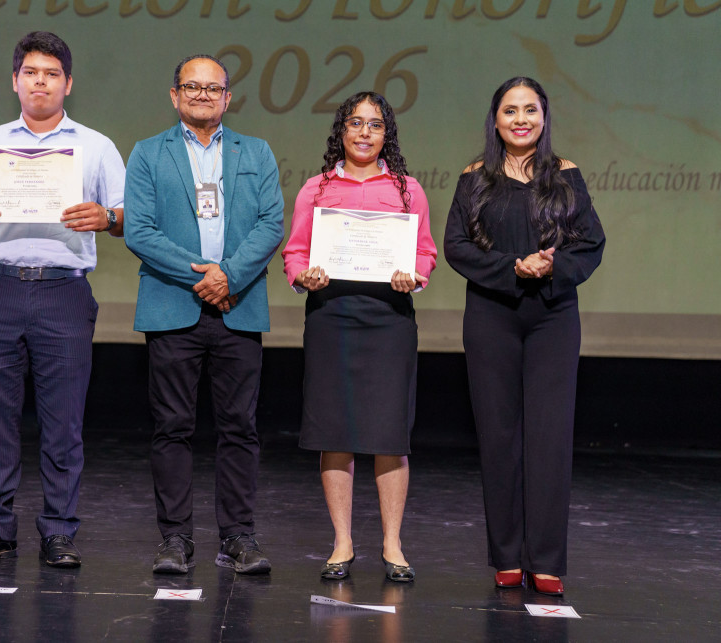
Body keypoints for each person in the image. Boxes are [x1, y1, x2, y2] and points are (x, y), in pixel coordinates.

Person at [0, 31, 125, 568]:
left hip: (63, 290)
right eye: (30, 73)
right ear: (15, 81)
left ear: (68, 83)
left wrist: (106, 217)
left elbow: (128, 215)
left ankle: (59, 531)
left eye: (51, 74)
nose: (39, 82)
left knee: (63, 423)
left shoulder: (96, 146)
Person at [443, 76, 605, 595]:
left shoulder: (566, 174)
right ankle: (507, 556)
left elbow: (591, 243)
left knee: (549, 437)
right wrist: (513, 266)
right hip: (491, 315)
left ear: (544, 116)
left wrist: (551, 266)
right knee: (498, 436)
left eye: (530, 110)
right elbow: (456, 246)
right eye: (510, 110)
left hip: (553, 316)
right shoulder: (475, 177)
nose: (520, 119)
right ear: (495, 120)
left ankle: (547, 559)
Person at [124, 54, 284, 575]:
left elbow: (271, 223)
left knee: (240, 427)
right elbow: (139, 231)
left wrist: (228, 276)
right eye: (191, 87)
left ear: (227, 98)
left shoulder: (256, 152)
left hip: (239, 305)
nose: (201, 95)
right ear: (174, 95)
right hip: (172, 306)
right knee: (172, 427)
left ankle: (238, 536)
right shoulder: (148, 153)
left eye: (212, 88)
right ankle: (175, 538)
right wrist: (205, 277)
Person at [281, 92, 436, 582]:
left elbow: (426, 252)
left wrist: (415, 274)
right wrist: (303, 276)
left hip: (390, 318)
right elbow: (295, 252)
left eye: (375, 124)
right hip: (332, 317)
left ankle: (393, 544)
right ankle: (342, 543)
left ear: (387, 134)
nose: (365, 132)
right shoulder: (316, 189)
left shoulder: (409, 190)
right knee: (335, 432)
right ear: (341, 131)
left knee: (390, 433)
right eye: (355, 123)